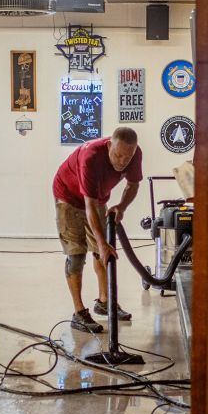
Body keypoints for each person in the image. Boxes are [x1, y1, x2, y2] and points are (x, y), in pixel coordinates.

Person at [52, 126, 143, 333]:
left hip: (97, 196)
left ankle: (104, 302)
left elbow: (133, 184)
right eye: (118, 155)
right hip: (68, 196)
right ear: (109, 145)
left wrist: (122, 206)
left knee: (104, 251)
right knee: (77, 254)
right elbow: (89, 206)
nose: (122, 162)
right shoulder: (90, 156)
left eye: (126, 158)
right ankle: (79, 313)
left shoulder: (135, 154)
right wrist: (100, 242)